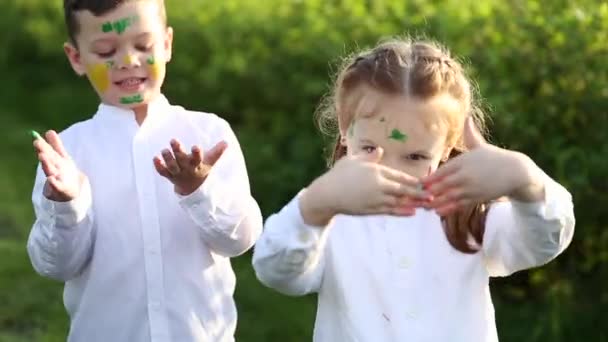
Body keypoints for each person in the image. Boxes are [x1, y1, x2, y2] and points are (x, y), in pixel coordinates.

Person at [252, 39, 575, 341]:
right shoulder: (328, 211)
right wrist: (316, 206)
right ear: (344, 127)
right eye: (369, 149)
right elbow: (277, 273)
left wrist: (527, 181)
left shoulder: (469, 210)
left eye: (415, 156)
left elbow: (542, 243)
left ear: (448, 145)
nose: (391, 170)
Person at [27, 1, 262, 340]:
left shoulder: (208, 136)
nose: (127, 61)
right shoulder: (67, 154)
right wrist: (66, 205)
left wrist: (199, 191)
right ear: (76, 58)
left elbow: (240, 240)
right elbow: (56, 265)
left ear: (166, 44)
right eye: (106, 51)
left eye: (143, 45)